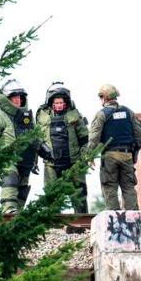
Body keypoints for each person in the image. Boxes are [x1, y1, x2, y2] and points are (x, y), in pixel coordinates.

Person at [36, 81, 90, 213]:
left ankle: (81, 221)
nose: (59, 105)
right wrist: (36, 158)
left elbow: (85, 138)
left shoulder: (74, 115)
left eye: (61, 102)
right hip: (51, 164)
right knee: (52, 194)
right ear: (52, 103)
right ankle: (53, 223)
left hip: (74, 162)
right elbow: (36, 139)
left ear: (65, 103)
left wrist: (85, 156)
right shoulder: (42, 117)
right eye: (57, 103)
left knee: (79, 194)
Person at [0, 80, 38, 212]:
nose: (18, 100)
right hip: (6, 157)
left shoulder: (27, 118)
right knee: (10, 178)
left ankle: (15, 217)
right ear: (7, 99)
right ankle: (8, 210)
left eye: (20, 97)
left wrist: (35, 161)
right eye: (14, 97)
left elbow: (35, 139)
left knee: (22, 188)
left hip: (25, 160)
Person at [89, 83, 141, 210]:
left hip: (109, 157)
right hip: (127, 156)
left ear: (104, 97)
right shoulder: (128, 112)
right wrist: (133, 153)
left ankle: (114, 221)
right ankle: (133, 219)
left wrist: (89, 156)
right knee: (128, 187)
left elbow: (94, 137)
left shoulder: (102, 114)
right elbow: (139, 135)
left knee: (109, 187)